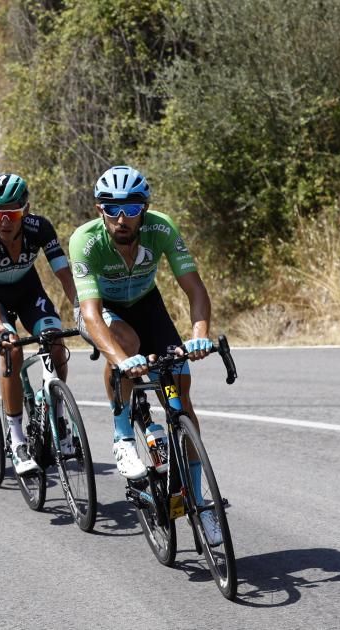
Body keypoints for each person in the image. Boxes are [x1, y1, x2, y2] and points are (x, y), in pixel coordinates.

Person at [70, 165, 219, 543]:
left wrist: (200, 334)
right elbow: (90, 313)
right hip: (102, 310)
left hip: (146, 302)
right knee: (127, 344)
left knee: (180, 394)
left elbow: (195, 290)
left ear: (145, 209)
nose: (122, 218)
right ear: (99, 209)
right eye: (112, 208)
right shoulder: (85, 241)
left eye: (132, 209)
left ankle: (199, 502)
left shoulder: (161, 228)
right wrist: (121, 360)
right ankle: (122, 437)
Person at [0, 173, 78, 475]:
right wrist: (3, 330)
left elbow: (64, 275)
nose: (4, 221)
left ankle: (58, 414)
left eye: (12, 213)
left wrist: (82, 311)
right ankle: (15, 437)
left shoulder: (40, 228)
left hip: (28, 290)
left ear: (25, 210)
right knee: (12, 351)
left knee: (55, 342)